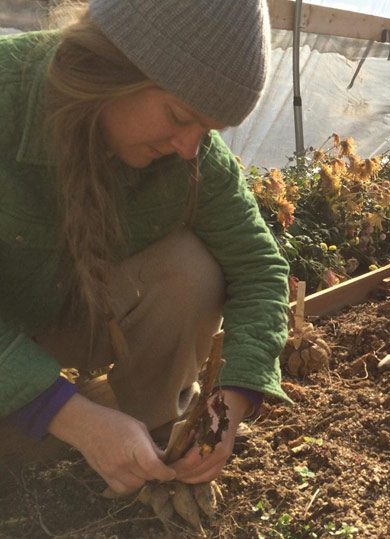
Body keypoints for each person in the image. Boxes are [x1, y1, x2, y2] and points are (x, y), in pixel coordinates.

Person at [0, 0, 290, 497]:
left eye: (208, 131)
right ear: (113, 66)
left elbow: (259, 268)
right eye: (179, 116)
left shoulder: (193, 160)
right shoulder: (9, 95)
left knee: (190, 269)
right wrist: (67, 414)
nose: (188, 148)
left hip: (64, 316)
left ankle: (148, 445)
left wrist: (231, 401)